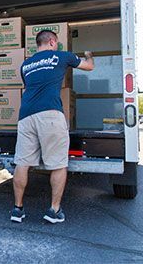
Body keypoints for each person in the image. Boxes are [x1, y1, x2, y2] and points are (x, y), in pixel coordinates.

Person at [11, 30, 94, 224]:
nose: (56, 46)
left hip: (25, 116)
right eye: (56, 43)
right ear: (51, 41)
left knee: (22, 163)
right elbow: (89, 67)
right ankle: (54, 210)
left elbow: (32, 86)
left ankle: (17, 209)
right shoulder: (61, 56)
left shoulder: (26, 65)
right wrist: (89, 54)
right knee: (58, 164)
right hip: (50, 114)